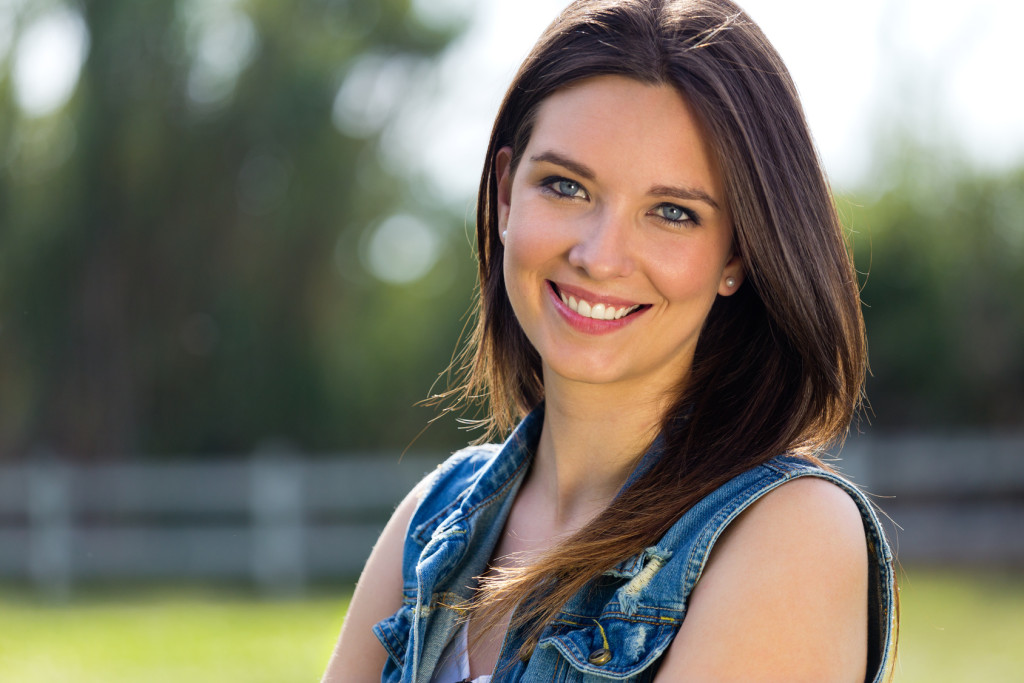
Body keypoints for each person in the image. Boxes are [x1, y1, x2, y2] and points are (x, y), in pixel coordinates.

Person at [323, 0, 897, 680]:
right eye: (566, 186)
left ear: (737, 256)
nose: (600, 255)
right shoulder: (433, 521)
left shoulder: (790, 532)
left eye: (672, 212)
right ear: (506, 196)